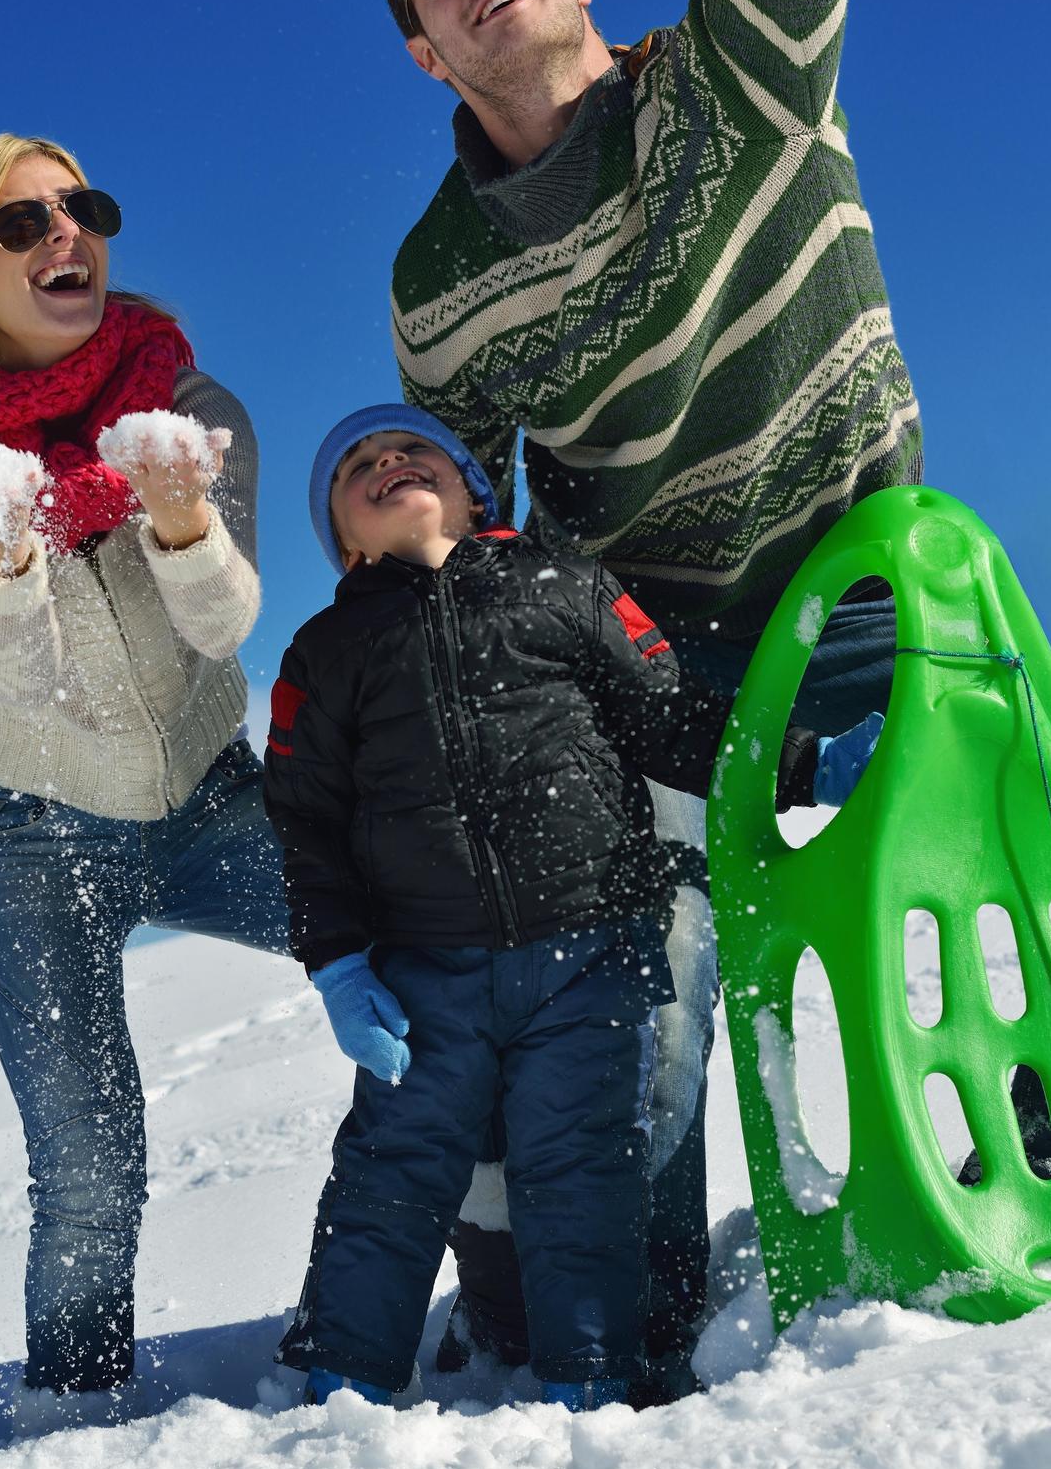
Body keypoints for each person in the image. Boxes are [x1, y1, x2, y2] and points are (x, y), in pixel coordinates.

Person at [377, 0, 1051, 1385]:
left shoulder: (744, 74)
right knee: (636, 979)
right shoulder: (438, 286)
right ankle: (631, 1332)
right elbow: (472, 516)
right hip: (660, 651)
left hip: (880, 582)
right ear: (428, 51)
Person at [262, 403, 880, 1409]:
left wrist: (804, 763)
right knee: (389, 1172)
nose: (386, 465)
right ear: (342, 541)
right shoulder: (326, 651)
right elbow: (306, 821)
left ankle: (591, 1381)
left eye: (410, 450)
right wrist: (337, 963)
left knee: (582, 1171)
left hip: (591, 950)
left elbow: (674, 718)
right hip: (427, 976)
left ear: (473, 487)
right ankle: (343, 1382)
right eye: (357, 469)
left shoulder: (565, 588)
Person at [0, 133, 287, 1396]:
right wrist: (3, 560)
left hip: (215, 803)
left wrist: (183, 516)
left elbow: (220, 623)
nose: (64, 236)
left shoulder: (187, 407)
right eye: (21, 224)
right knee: (91, 1164)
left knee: (421, 952)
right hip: (35, 839)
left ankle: (464, 1254)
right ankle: (74, 1432)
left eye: (81, 207)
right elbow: (23, 680)